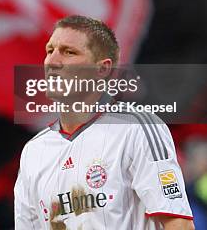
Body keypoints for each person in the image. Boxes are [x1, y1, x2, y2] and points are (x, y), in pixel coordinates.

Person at [14, 15, 194, 229]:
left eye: (68, 52)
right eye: (49, 51)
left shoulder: (138, 128)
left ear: (102, 69)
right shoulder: (34, 151)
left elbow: (178, 223)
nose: (52, 62)